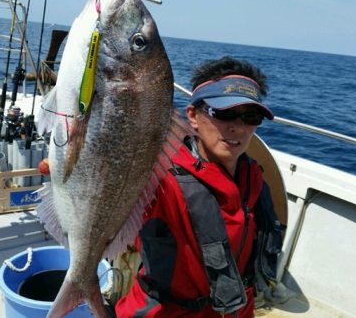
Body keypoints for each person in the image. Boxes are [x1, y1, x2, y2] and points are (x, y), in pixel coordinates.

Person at [115, 56, 285, 318]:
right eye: (225, 113)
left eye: (251, 117)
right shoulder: (161, 178)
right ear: (193, 115)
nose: (238, 127)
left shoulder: (254, 177)